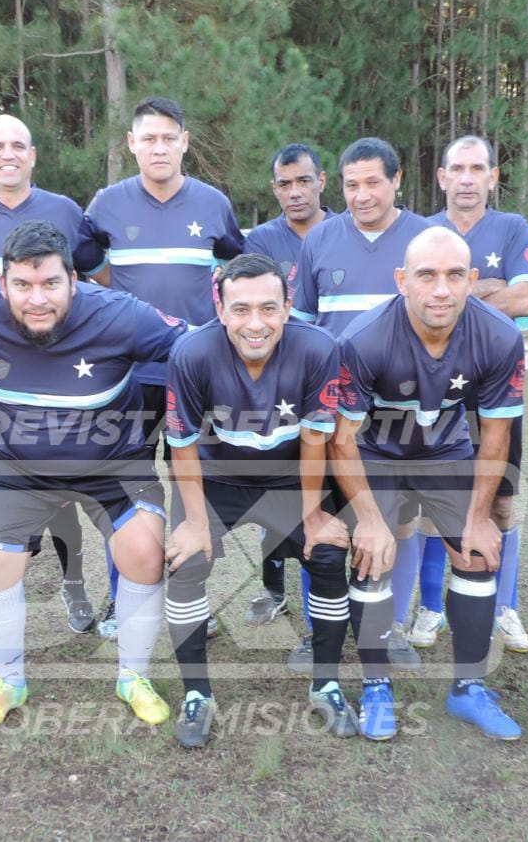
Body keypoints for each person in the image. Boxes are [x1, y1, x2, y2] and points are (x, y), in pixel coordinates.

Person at [0, 221, 188, 732]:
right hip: (20, 470)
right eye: (23, 286)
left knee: (143, 550)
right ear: (1, 284)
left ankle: (133, 676)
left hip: (113, 463)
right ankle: (8, 679)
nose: (37, 299)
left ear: (74, 280)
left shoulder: (121, 314)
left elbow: (196, 348)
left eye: (51, 283)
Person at [331, 226, 526, 741]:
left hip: (447, 452)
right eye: (427, 276)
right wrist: (370, 520)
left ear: (472, 280)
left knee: (477, 552)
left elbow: (497, 433)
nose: (441, 289)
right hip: (376, 454)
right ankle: (376, 686)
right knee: (372, 555)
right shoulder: (362, 338)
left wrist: (481, 517)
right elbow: (341, 440)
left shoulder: (501, 334)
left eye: (454, 276)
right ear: (402, 281)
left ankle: (467, 690)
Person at [163, 253, 357, 746]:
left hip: (289, 478)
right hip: (215, 481)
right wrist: (194, 522)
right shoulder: (191, 353)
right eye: (241, 308)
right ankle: (197, 695)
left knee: (330, 554)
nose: (256, 323)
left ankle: (326, 682)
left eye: (269, 308)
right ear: (221, 309)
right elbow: (181, 445)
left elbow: (317, 441)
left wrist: (313, 515)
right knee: (186, 563)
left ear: (288, 307)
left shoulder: (318, 348)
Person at [84, 97, 244, 634]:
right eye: (147, 137)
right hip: (127, 379)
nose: (158, 146)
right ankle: (121, 599)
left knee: (194, 487)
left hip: (197, 377)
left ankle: (189, 598)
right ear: (131, 143)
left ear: (184, 142)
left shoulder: (214, 204)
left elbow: (235, 273)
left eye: (167, 137)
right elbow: (83, 274)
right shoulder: (106, 204)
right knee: (125, 489)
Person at [0, 115, 105, 634]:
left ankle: (73, 582)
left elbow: (95, 279)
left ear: (33, 155)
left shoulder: (64, 211)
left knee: (59, 486)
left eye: (18, 145)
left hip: (55, 377)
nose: (8, 154)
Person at [286, 136, 431, 672]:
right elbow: (300, 327)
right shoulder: (320, 239)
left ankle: (388, 627)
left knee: (399, 520)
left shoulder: (426, 238)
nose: (363, 194)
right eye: (352, 184)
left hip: (403, 411)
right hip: (328, 410)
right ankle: (316, 628)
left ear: (397, 181)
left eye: (374, 182)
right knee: (321, 518)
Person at [421, 135, 528, 654]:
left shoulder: (512, 228)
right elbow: (419, 302)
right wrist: (490, 288)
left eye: (478, 168)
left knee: (501, 501)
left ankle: (504, 604)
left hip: (496, 385)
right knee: (433, 501)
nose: (467, 178)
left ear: (493, 177)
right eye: (457, 169)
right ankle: (429, 608)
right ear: (442, 177)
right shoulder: (424, 231)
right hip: (435, 389)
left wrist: (465, 295)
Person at [240, 143, 332, 626]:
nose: (294, 192)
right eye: (284, 184)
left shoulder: (343, 231)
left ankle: (338, 586)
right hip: (276, 380)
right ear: (274, 188)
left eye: (303, 181)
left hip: (340, 377)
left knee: (337, 491)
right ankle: (273, 587)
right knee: (273, 485)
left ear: (322, 181)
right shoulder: (260, 239)